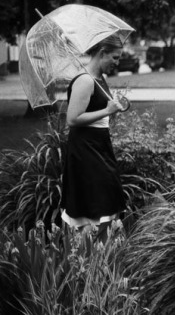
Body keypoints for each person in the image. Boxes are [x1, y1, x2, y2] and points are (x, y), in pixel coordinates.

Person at [60, 34, 126, 243]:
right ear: (102, 53)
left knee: (106, 198)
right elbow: (73, 118)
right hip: (86, 151)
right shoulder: (85, 81)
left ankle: (102, 254)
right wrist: (106, 111)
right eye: (114, 58)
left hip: (100, 146)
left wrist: (117, 106)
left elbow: (100, 110)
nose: (117, 63)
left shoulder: (99, 79)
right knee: (93, 201)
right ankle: (86, 254)